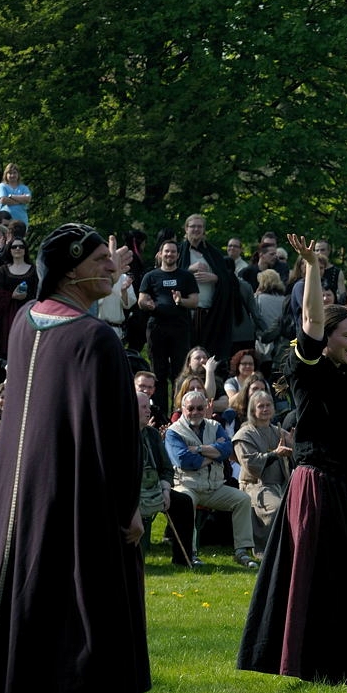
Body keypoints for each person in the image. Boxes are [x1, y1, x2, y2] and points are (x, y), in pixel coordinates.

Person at [0, 223, 149, 693]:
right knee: (72, 602)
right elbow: (117, 433)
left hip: (18, 496)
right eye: (100, 260)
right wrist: (127, 506)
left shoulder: (24, 322)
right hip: (76, 496)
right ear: (70, 272)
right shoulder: (96, 339)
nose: (111, 266)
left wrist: (105, 278)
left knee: (29, 597)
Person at [238, 217, 347, 693]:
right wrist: (313, 269)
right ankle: (319, 662)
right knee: (322, 580)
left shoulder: (346, 366)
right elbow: (315, 321)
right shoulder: (309, 368)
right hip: (320, 486)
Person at [164, 390, 259, 568]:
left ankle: (241, 551)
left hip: (214, 487)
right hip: (187, 486)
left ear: (205, 408)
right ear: (183, 409)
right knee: (186, 503)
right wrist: (213, 454)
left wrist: (198, 449)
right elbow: (184, 460)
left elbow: (227, 450)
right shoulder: (173, 432)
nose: (195, 412)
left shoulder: (215, 426)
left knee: (243, 499)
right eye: (191, 408)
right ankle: (191, 553)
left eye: (200, 408)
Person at [138, 240, 199, 415]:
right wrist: (147, 304)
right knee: (158, 372)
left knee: (180, 373)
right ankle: (159, 414)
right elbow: (141, 300)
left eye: (173, 252)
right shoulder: (150, 276)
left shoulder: (186, 276)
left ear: (178, 255)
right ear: (160, 253)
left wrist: (181, 301)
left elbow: (194, 301)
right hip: (157, 328)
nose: (169, 254)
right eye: (166, 251)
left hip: (180, 329)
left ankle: (178, 412)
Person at [135, 392, 196, 567]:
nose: (148, 411)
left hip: (155, 489)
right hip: (130, 493)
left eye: (149, 407)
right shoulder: (119, 434)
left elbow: (166, 468)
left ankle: (182, 559)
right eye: (143, 407)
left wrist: (165, 490)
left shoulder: (153, 435)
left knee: (184, 502)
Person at [232, 389, 291, 556]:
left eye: (268, 405)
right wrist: (274, 454)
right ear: (253, 410)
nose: (265, 409)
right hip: (257, 486)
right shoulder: (244, 434)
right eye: (261, 406)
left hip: (283, 484)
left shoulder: (278, 431)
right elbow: (250, 464)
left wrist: (293, 445)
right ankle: (271, 552)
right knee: (277, 508)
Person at [179, 213, 242, 362]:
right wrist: (189, 269)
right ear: (186, 229)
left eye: (199, 226)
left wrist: (215, 278)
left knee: (208, 355)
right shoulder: (178, 251)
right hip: (185, 313)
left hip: (209, 313)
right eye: (193, 226)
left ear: (204, 230)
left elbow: (229, 279)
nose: (196, 229)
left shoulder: (213, 254)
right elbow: (169, 275)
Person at [0, 238, 37, 356]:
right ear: (9, 250)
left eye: (21, 246)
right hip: (8, 314)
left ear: (25, 250)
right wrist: (12, 295)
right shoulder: (3, 270)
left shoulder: (33, 269)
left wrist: (27, 296)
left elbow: (38, 291)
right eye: (14, 247)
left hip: (28, 312)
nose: (18, 249)